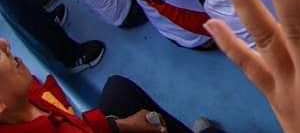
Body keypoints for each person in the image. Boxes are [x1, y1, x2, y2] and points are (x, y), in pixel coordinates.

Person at [0, 39, 217, 133]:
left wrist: (118, 125)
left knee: (118, 92)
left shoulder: (21, 99)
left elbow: (76, 123)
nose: (4, 43)